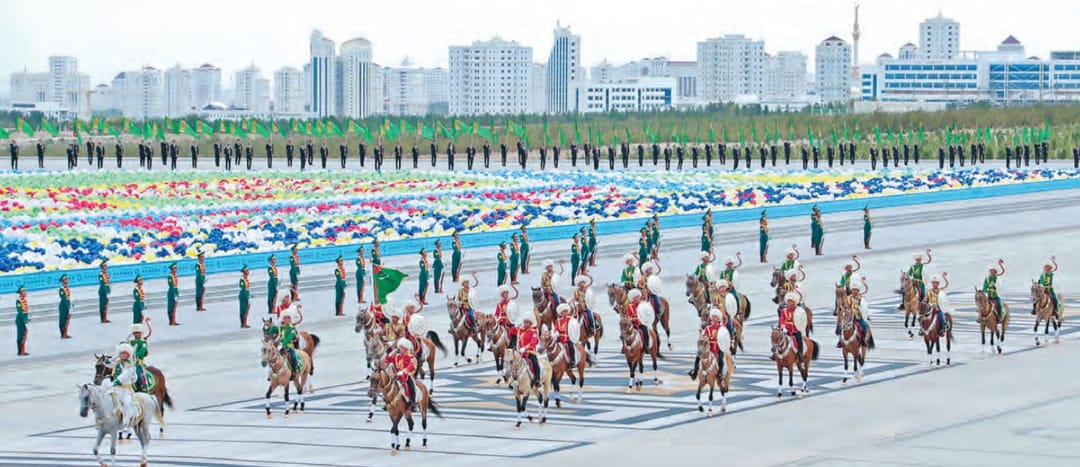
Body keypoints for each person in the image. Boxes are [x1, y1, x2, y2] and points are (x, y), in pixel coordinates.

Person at [688, 308, 728, 380]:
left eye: (715, 317)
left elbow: (724, 338)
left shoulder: (721, 328)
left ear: (718, 318)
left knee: (721, 358)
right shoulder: (708, 328)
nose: (714, 318)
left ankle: (720, 373)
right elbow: (705, 337)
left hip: (718, 346)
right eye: (713, 317)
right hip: (709, 346)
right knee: (698, 356)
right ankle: (695, 371)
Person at [108, 343, 140, 429]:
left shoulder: (130, 365)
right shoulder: (118, 362)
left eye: (125, 354)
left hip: (125, 390)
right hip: (116, 388)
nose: (123, 355)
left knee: (126, 403)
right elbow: (108, 364)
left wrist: (117, 381)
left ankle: (126, 423)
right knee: (106, 398)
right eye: (121, 353)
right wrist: (113, 358)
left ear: (128, 355)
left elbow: (125, 375)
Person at [385, 339, 418, 409]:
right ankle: (387, 401)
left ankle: (413, 403)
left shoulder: (410, 356)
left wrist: (404, 371)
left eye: (401, 348)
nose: (399, 349)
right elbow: (387, 359)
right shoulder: (397, 356)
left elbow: (412, 365)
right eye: (399, 348)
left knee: (412, 388)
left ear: (405, 348)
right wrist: (391, 352)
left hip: (406, 376)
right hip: (397, 376)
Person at [269, 309, 302, 381]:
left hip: (289, 346)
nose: (286, 319)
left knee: (293, 357)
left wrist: (283, 344)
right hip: (279, 346)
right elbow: (270, 331)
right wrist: (276, 325)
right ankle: (272, 372)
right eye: (284, 317)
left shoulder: (292, 328)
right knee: (271, 357)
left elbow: (290, 337)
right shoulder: (281, 327)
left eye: (288, 317)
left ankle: (294, 372)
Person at [518, 315, 541, 388]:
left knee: (535, 364)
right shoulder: (520, 330)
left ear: (530, 323)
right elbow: (512, 333)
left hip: (530, 351)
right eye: (524, 322)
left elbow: (533, 342)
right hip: (521, 352)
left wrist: (525, 348)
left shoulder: (533, 331)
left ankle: (537, 380)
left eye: (527, 322)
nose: (525, 324)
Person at [779, 293, 803, 360]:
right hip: (787, 329)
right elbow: (782, 320)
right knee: (779, 340)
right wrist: (783, 328)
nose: (789, 303)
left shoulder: (798, 310)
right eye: (788, 302)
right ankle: (776, 353)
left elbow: (802, 320)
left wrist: (800, 326)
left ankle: (800, 354)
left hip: (796, 329)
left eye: (791, 302)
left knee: (800, 341)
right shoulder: (784, 311)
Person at [128, 322, 151, 391]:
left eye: (138, 332)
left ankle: (142, 387)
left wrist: (131, 352)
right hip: (128, 362)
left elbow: (141, 354)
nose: (136, 334)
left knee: (138, 374)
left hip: (138, 363)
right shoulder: (130, 342)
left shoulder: (143, 342)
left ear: (141, 333)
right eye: (135, 333)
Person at [15, 286, 29, 356]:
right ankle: (20, 351)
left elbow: (25, 311)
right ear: (20, 293)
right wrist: (25, 319)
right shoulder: (18, 301)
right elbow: (20, 312)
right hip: (20, 320)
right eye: (23, 291)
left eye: (25, 291)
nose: (25, 292)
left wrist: (27, 318)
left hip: (23, 320)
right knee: (20, 335)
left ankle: (22, 350)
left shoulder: (24, 300)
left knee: (24, 334)